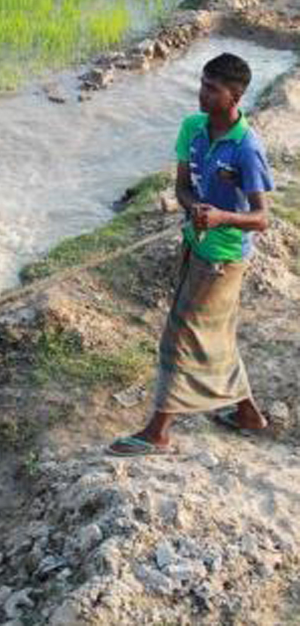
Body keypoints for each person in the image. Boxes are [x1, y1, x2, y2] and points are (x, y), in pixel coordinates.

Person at [108, 53, 272, 456]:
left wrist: (219, 217)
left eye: (211, 88)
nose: (201, 93)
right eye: (201, 83)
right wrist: (193, 207)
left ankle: (158, 432)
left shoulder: (247, 149)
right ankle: (248, 414)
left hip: (222, 258)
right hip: (194, 245)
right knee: (214, 334)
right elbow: (183, 188)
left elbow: (261, 217)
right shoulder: (193, 128)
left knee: (178, 337)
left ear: (234, 97)